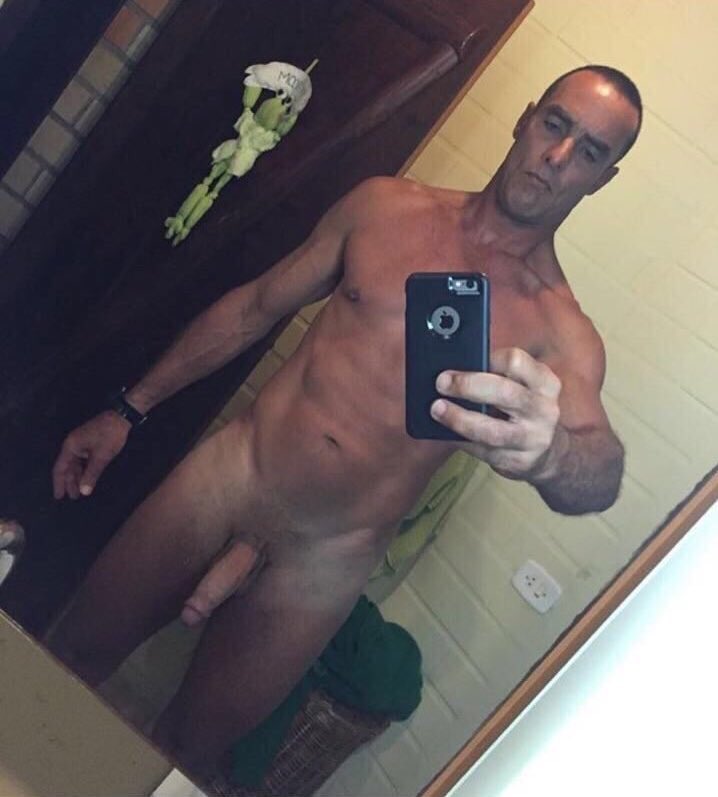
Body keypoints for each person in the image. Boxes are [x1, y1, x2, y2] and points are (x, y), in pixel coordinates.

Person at [48, 65, 641, 779]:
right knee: (71, 654)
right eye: (556, 124)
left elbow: (596, 468)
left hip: (328, 555)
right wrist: (128, 408)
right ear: (526, 117)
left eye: (590, 151)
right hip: (235, 473)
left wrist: (552, 455)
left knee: (186, 752)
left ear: (602, 180)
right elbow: (255, 307)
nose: (558, 156)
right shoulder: (385, 206)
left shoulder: (563, 332)